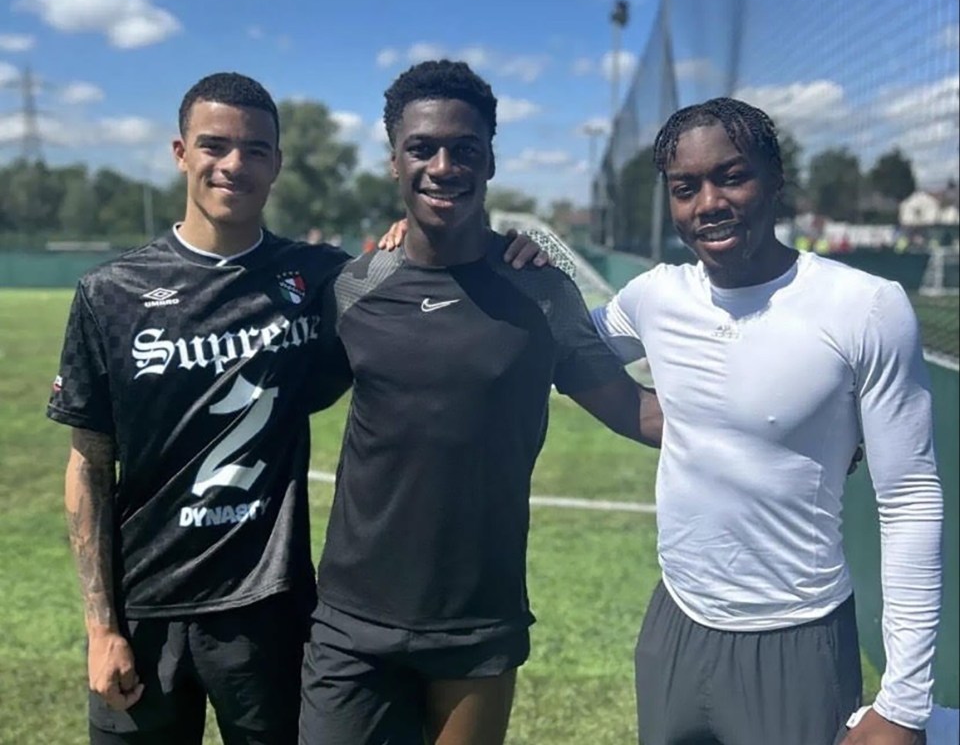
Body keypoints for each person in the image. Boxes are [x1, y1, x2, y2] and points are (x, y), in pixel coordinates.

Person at [46, 70, 547, 745]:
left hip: (269, 613)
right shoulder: (111, 293)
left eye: (255, 149)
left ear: (277, 163)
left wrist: (488, 246)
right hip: (144, 611)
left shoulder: (319, 279)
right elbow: (88, 465)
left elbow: (414, 271)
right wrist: (101, 628)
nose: (234, 165)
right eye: (214, 145)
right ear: (180, 153)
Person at [297, 59, 663, 745]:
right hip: (352, 621)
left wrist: (789, 428)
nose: (444, 165)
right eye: (422, 148)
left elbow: (634, 410)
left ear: (490, 160)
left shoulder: (540, 292)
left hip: (478, 620)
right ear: (394, 163)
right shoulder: (354, 288)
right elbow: (290, 394)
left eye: (464, 149)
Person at [591, 98, 943, 745]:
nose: (708, 203)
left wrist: (905, 702)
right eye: (685, 187)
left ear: (776, 180)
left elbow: (910, 500)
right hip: (674, 623)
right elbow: (564, 354)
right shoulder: (654, 296)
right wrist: (504, 258)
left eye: (731, 176)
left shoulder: (864, 307)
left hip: (797, 638)